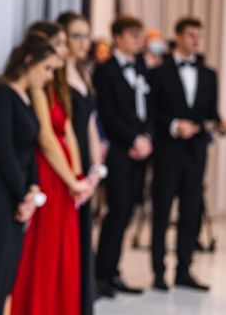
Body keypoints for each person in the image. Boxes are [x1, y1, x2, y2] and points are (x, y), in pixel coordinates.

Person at [10, 22, 94, 315]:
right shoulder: (39, 86)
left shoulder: (56, 85)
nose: (63, 50)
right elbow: (46, 138)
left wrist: (79, 177)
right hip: (50, 173)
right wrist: (72, 180)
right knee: (47, 249)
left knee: (64, 250)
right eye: (58, 44)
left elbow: (68, 132)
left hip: (65, 175)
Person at [0, 36, 58, 315]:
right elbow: (3, 151)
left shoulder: (25, 98)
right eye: (47, 68)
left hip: (17, 194)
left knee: (7, 274)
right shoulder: (1, 95)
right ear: (28, 61)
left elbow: (29, 149)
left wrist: (33, 188)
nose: (50, 77)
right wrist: (24, 193)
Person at [149, 16, 226, 291]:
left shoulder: (209, 74)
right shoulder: (159, 72)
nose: (196, 41)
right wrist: (173, 126)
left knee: (191, 211)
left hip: (195, 152)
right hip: (168, 151)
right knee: (162, 210)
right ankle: (159, 270)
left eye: (199, 36)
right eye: (191, 35)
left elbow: (210, 113)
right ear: (179, 36)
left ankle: (184, 268)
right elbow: (151, 113)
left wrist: (219, 123)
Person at [93, 15, 153, 295]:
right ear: (117, 37)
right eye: (133, 34)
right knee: (116, 211)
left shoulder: (142, 67)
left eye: (140, 35)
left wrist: (147, 137)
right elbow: (107, 113)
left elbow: (149, 107)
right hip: (118, 150)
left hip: (139, 151)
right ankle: (102, 274)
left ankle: (114, 270)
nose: (139, 40)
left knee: (127, 211)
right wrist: (132, 139)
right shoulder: (105, 70)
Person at [58, 11, 108, 311]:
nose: (84, 42)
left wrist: (96, 166)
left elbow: (90, 123)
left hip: (85, 167)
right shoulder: (57, 76)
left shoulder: (83, 74)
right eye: (77, 35)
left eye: (87, 36)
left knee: (85, 232)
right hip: (67, 166)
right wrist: (76, 172)